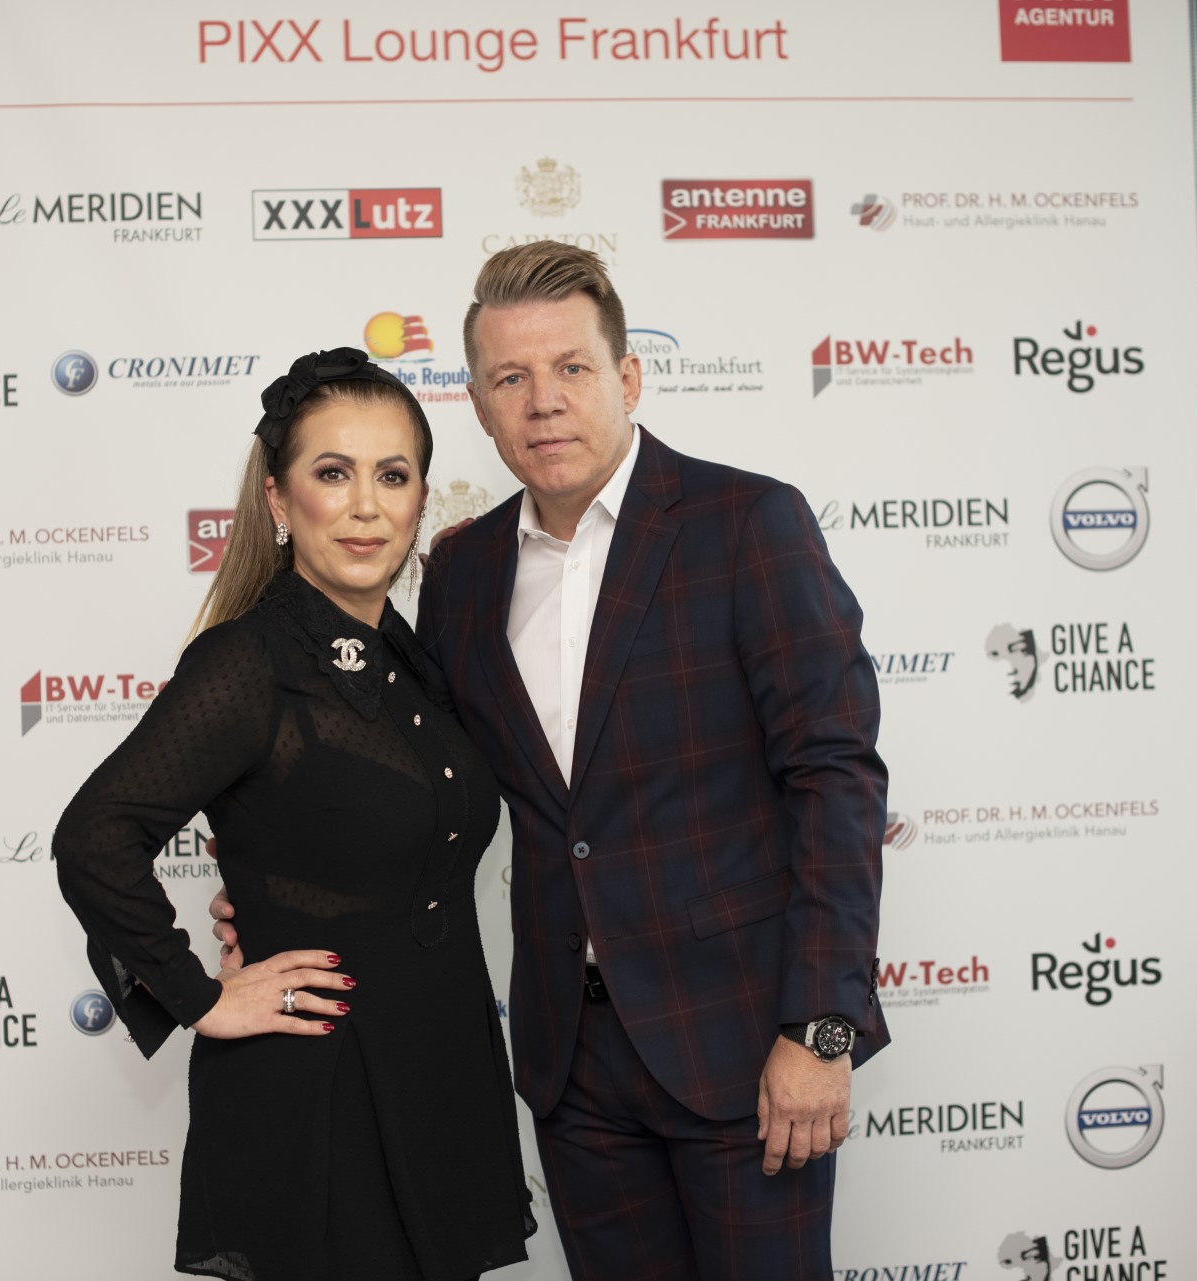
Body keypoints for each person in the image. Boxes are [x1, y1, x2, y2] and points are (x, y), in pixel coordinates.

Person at [214, 242, 889, 1279]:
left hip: (745, 1046)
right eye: (509, 378)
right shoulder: (462, 568)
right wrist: (284, 890)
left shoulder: (746, 525)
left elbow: (833, 779)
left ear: (627, 377)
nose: (543, 402)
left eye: (571, 367)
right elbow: (411, 774)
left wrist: (822, 1028)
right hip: (570, 1067)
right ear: (480, 410)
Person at [54, 348, 533, 1281]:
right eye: (333, 473)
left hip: (438, 1073)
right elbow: (93, 838)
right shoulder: (245, 662)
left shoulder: (414, 660)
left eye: (392, 475)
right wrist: (197, 995)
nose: (365, 506)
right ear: (277, 499)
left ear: (420, 499)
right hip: (316, 1093)